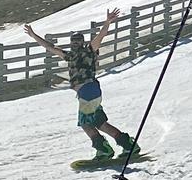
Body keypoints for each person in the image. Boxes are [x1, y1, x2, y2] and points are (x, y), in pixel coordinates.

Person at [23, 10, 139, 161]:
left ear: (82, 42)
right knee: (99, 122)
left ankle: (104, 149)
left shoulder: (89, 51)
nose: (75, 43)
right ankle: (128, 145)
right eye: (73, 41)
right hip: (90, 92)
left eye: (78, 41)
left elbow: (100, 36)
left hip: (88, 91)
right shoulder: (69, 56)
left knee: (85, 123)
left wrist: (107, 22)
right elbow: (49, 47)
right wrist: (33, 35)